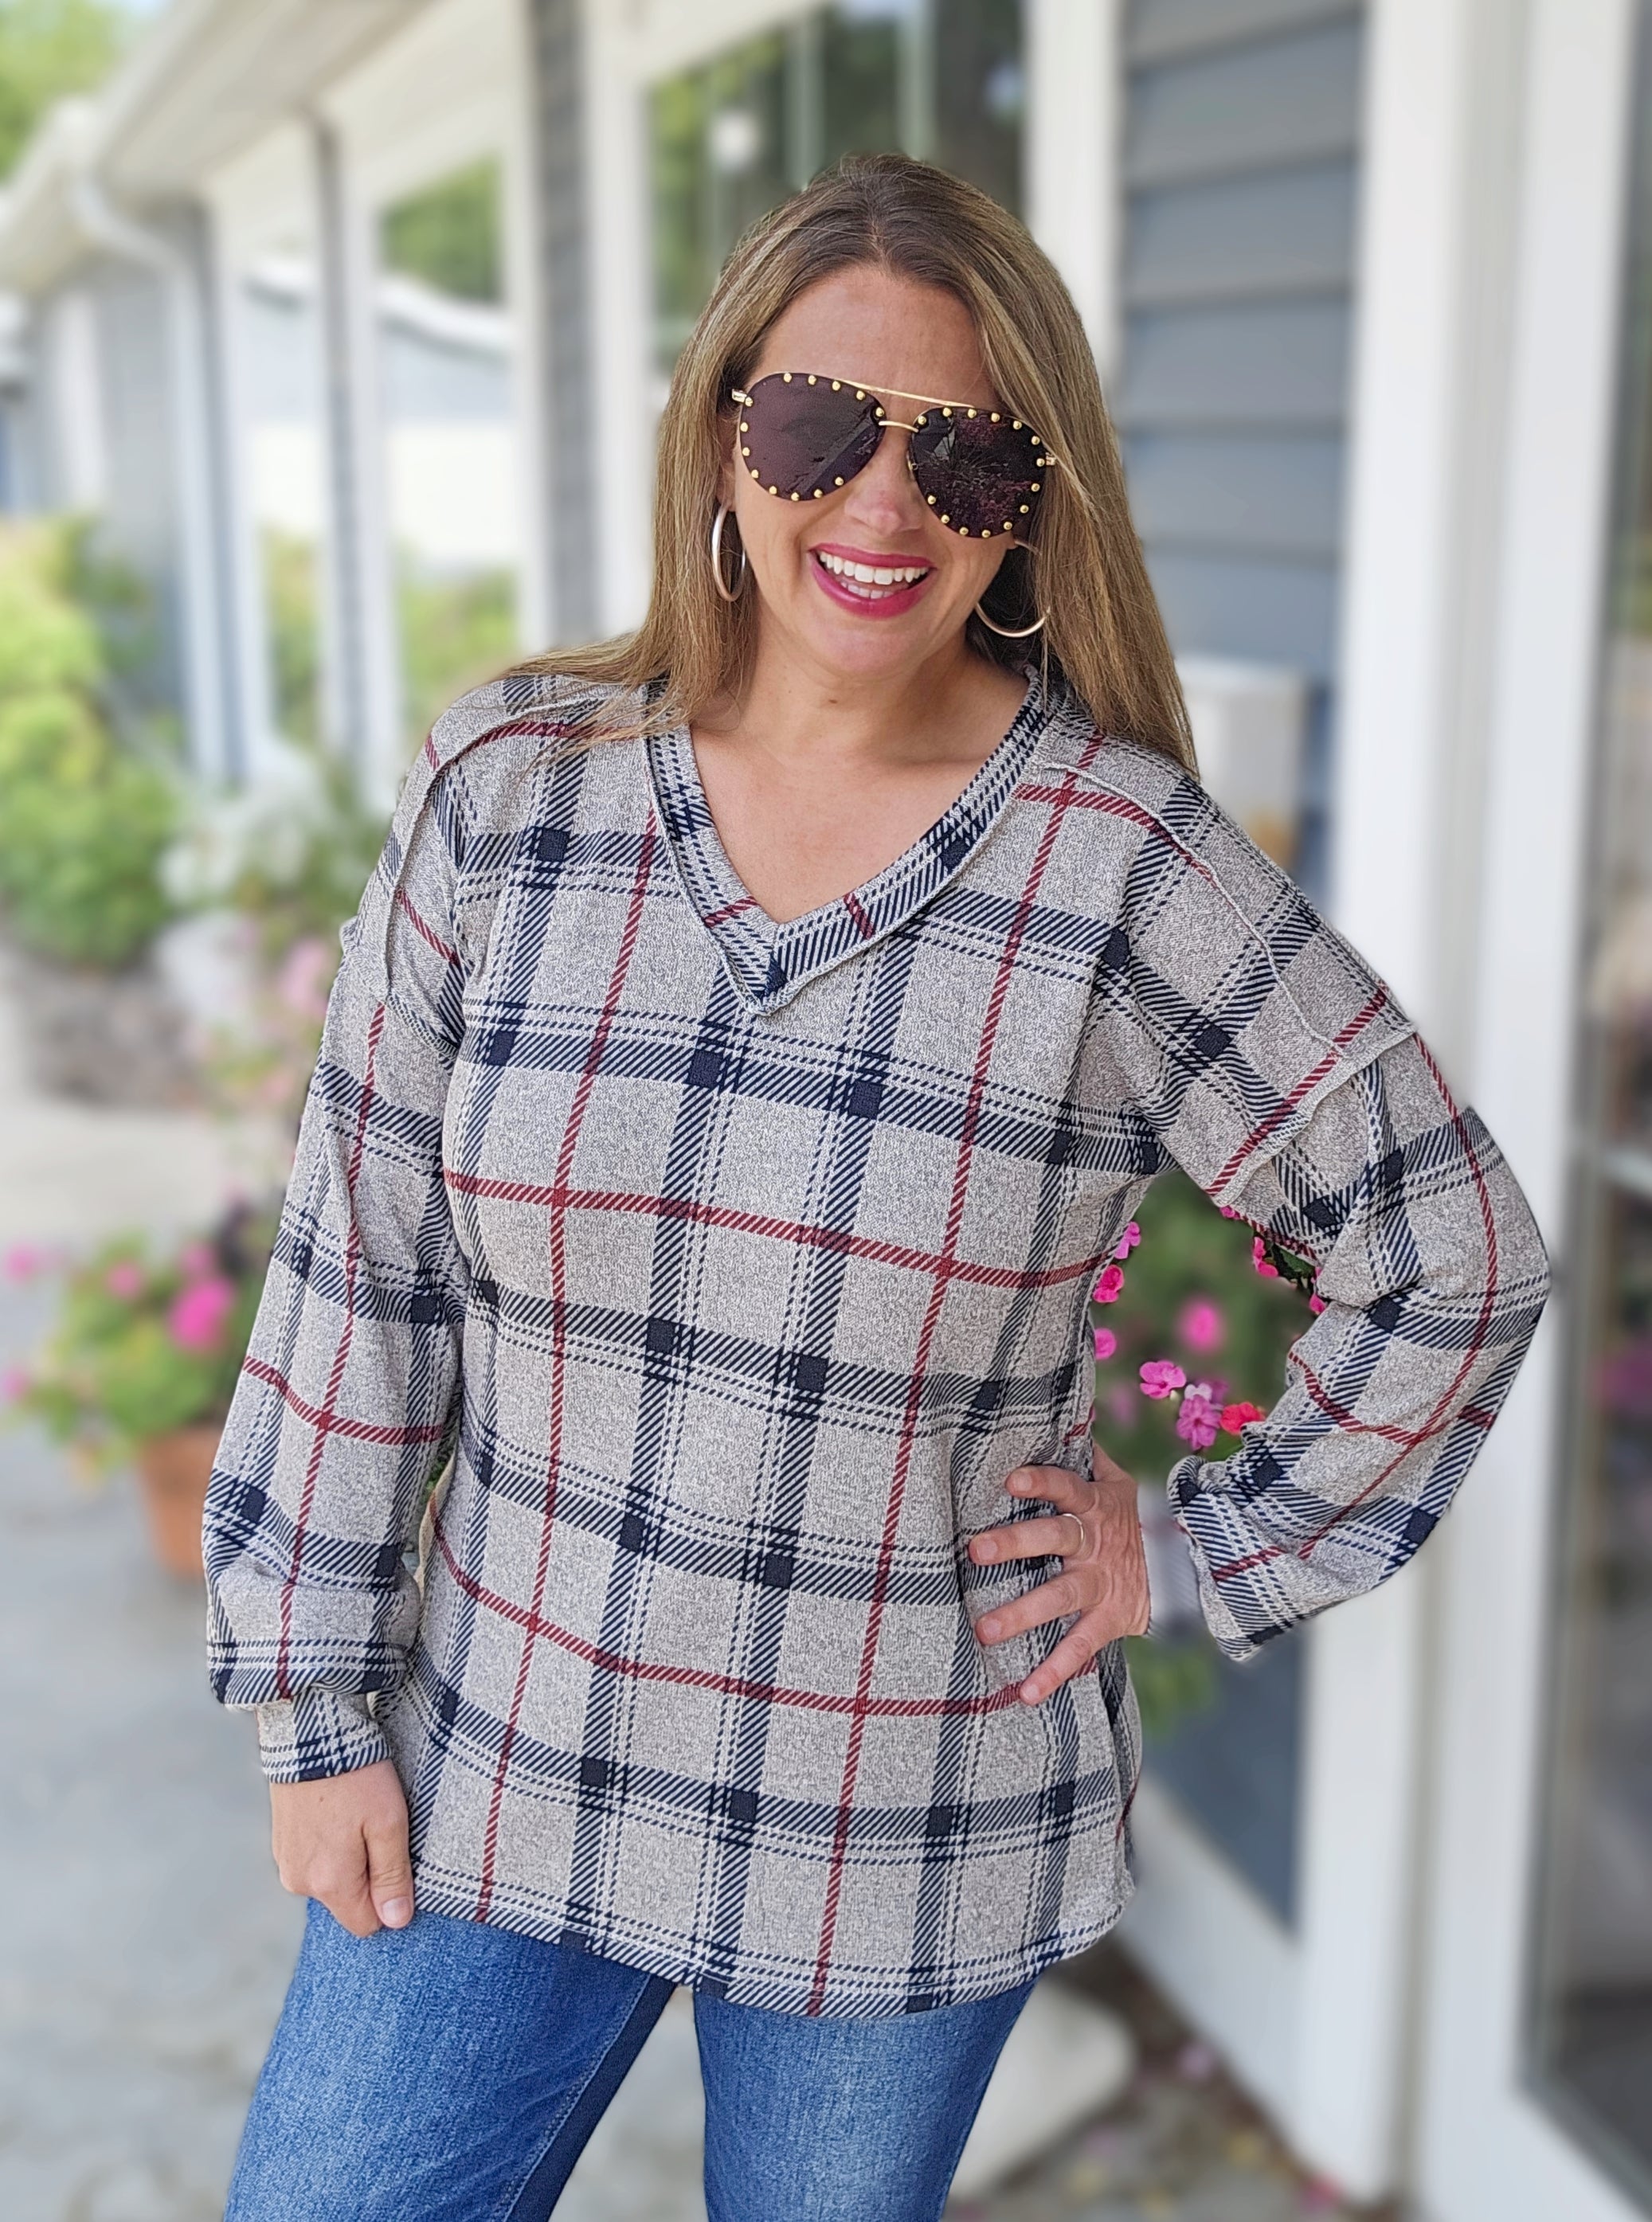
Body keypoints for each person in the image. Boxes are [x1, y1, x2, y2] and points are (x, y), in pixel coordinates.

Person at [205, 154, 1548, 2222]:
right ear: (723, 428)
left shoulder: (1119, 868)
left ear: (1032, 503)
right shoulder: (513, 795)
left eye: (968, 452)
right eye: (824, 424)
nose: (884, 502)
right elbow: (357, 1266)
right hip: (498, 1762)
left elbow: (1452, 1245)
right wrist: (312, 1709)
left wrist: (1197, 1549)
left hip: (907, 1836)